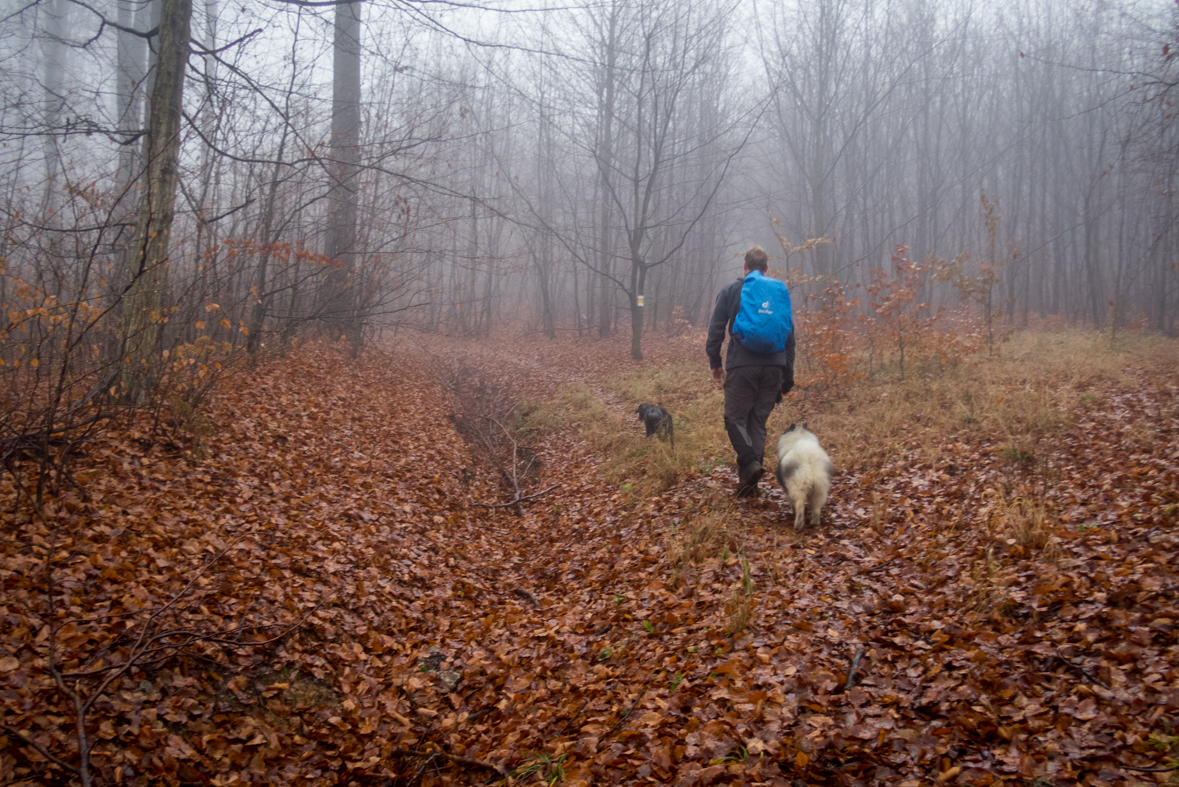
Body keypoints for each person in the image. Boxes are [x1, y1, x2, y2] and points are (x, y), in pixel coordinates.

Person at [706, 245, 796, 497]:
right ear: (767, 269)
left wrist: (715, 363)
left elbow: (716, 329)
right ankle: (750, 486)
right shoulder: (777, 293)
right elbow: (789, 337)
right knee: (757, 422)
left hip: (742, 365)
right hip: (774, 366)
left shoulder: (733, 290)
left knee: (734, 418)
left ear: (744, 266)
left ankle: (749, 464)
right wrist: (787, 376)